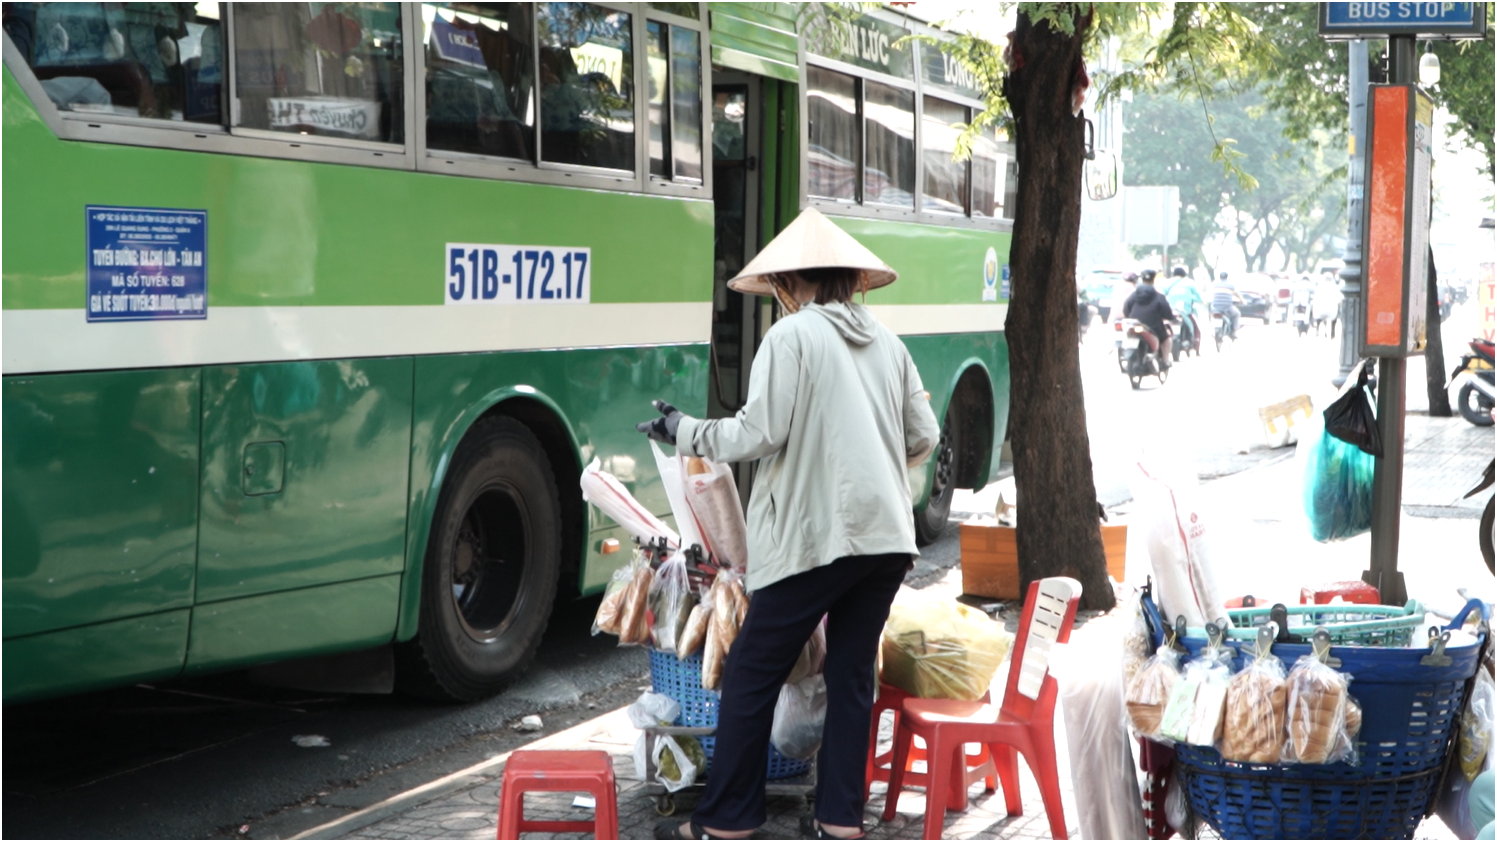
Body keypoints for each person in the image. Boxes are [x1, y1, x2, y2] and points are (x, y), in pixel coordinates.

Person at [637, 207, 940, 842]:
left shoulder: (791, 337)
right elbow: (924, 436)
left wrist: (683, 429)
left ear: (787, 282)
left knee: (752, 670)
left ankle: (727, 822)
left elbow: (757, 433)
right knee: (851, 677)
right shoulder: (890, 344)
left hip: (816, 539)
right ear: (851, 279)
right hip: (887, 538)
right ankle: (840, 821)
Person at [1122, 269, 1176, 366]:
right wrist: (1170, 317)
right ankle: (1165, 360)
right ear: (1153, 279)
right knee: (1166, 339)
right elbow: (1167, 312)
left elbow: (1126, 307)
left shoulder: (1134, 294)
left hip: (1135, 323)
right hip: (1153, 326)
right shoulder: (1158, 295)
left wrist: (1130, 317)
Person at [1163, 266, 1203, 352]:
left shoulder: (1167, 282)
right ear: (1184, 274)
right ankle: (1196, 346)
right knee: (1195, 327)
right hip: (1186, 310)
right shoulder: (1189, 282)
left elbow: (1162, 294)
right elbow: (1198, 296)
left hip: (1170, 310)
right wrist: (1198, 300)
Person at [1210, 271, 1243, 339]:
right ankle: (1233, 331)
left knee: (1211, 316)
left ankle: (1213, 331)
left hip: (1216, 307)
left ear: (1220, 277)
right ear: (1227, 277)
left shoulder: (1215, 285)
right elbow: (1237, 294)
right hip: (1227, 307)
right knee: (1237, 314)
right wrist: (1242, 300)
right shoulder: (1230, 286)